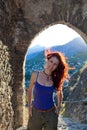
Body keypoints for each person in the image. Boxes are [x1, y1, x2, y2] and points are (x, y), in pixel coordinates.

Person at [27, 50, 71, 130]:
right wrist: (29, 106)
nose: (52, 65)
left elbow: (59, 92)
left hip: (51, 114)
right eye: (51, 61)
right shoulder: (35, 74)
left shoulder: (55, 79)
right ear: (47, 60)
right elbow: (29, 91)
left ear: (57, 67)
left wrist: (59, 107)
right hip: (35, 113)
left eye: (55, 64)